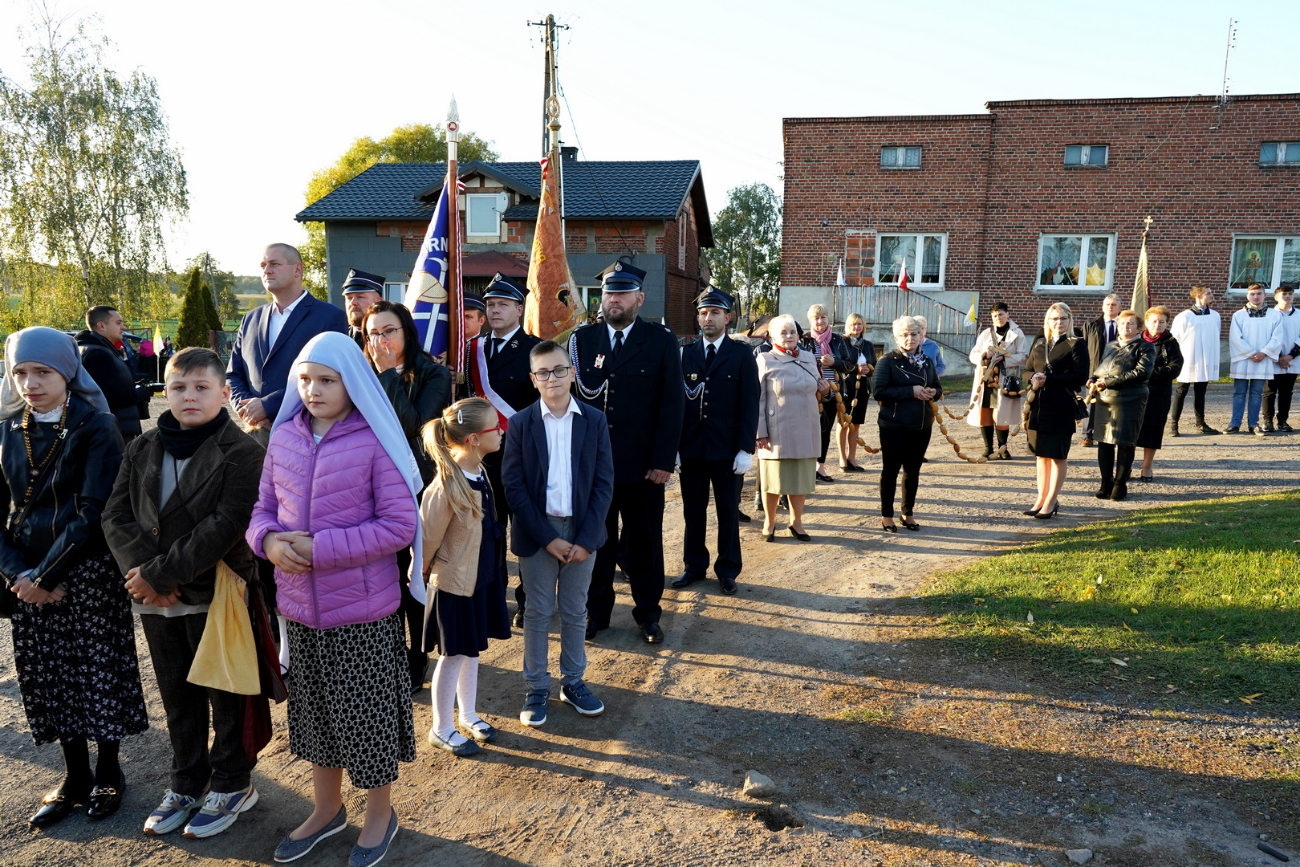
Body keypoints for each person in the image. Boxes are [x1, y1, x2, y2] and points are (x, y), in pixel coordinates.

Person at [247, 332, 420, 865]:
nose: (313, 390)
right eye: (305, 379)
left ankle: (378, 816)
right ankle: (327, 810)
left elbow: (398, 525)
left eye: (327, 380)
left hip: (362, 612)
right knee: (318, 719)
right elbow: (262, 511)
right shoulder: (285, 438)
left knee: (365, 722)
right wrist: (270, 542)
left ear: (352, 382)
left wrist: (320, 549)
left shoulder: (373, 440)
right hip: (299, 611)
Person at [102, 347, 265, 839]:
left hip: (215, 593)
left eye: (201, 387)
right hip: (156, 599)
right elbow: (116, 516)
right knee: (177, 694)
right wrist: (146, 577)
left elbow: (227, 524)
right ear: (164, 391)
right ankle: (187, 781)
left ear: (223, 392)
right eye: (178, 388)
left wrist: (162, 577)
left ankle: (234, 782)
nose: (189, 397)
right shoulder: (143, 446)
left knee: (224, 692)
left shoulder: (243, 452)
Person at [0, 327, 146, 827]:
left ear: (66, 372)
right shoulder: (5, 430)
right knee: (51, 678)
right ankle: (74, 775)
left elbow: (91, 513)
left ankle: (109, 772)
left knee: (94, 674)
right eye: (20, 372)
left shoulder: (96, 426)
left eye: (42, 371)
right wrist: (21, 574)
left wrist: (45, 575)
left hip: (84, 575)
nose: (31, 383)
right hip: (27, 580)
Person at [569, 260, 684, 645]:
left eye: (621, 292)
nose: (613, 299)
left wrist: (663, 461)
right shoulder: (582, 342)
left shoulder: (660, 341)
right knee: (596, 543)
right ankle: (595, 613)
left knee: (646, 544)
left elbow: (672, 406)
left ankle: (648, 614)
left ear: (639, 298)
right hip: (594, 467)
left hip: (643, 467)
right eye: (607, 292)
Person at [502, 341, 615, 728]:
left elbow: (603, 484)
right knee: (536, 612)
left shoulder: (594, 421)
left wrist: (585, 539)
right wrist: (547, 538)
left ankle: (573, 682)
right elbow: (513, 487)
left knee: (574, 610)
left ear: (572, 372)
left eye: (560, 369)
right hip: (538, 533)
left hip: (582, 532)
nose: (553, 378)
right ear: (533, 380)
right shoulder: (520, 424)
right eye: (544, 372)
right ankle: (536, 687)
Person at [363, 299, 451, 693]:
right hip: (369, 489)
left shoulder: (433, 374)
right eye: (373, 334)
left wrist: (386, 374)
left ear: (406, 333)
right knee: (383, 576)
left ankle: (418, 655)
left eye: (388, 331)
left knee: (415, 572)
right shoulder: (358, 372)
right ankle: (389, 652)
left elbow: (414, 427)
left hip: (417, 486)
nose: (380, 340)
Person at [418, 398, 511, 757]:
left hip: (479, 580)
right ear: (474, 439)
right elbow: (426, 538)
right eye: (494, 427)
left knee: (471, 652)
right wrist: (421, 575)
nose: (501, 431)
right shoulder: (446, 485)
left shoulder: (480, 469)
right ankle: (441, 727)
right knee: (453, 654)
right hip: (454, 586)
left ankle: (468, 714)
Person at [465, 273, 541, 629]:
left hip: (522, 456)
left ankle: (528, 602)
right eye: (490, 305)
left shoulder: (535, 350)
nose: (494, 310)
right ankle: (495, 600)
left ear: (519, 308)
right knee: (486, 534)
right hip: (482, 459)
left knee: (524, 533)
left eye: (502, 305)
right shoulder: (472, 350)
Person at [672, 289, 758, 595]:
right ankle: (694, 566)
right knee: (692, 513)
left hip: (727, 451)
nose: (708, 318)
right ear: (697, 318)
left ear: (728, 318)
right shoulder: (685, 353)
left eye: (715, 313)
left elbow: (750, 403)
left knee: (727, 513)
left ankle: (728, 569)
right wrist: (675, 448)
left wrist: (746, 449)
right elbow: (676, 404)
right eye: (704, 313)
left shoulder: (741, 355)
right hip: (692, 450)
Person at [226, 243, 348, 445]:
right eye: (263, 265)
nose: (266, 270)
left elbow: (332, 378)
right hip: (255, 435)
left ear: (297, 270)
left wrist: (268, 405)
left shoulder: (329, 317)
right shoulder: (250, 319)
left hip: (305, 434)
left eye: (274, 264)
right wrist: (247, 408)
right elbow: (233, 375)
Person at [755, 314, 825, 541]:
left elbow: (818, 390)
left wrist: (824, 389)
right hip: (776, 431)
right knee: (773, 480)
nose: (788, 336)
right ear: (773, 336)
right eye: (783, 332)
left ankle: (796, 523)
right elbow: (757, 400)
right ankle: (770, 522)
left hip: (806, 426)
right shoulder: (765, 359)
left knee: (800, 479)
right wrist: (760, 432)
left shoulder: (808, 358)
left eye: (792, 332)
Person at [873, 316, 942, 531]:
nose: (910, 338)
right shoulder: (887, 361)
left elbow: (937, 388)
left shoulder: (927, 362)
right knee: (891, 471)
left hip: (921, 426)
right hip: (894, 426)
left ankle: (907, 512)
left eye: (914, 334)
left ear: (921, 336)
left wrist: (933, 392)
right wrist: (911, 391)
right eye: (904, 334)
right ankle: (887, 516)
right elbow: (878, 391)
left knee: (913, 472)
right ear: (896, 337)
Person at [1022, 303, 1089, 519]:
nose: (1058, 323)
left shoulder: (1076, 344)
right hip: (1038, 406)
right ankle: (1041, 498)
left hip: (1061, 405)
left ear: (1069, 321)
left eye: (1063, 318)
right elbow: (1027, 370)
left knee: (1058, 456)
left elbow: (1080, 378)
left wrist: (1048, 379)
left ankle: (1051, 501)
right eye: (1054, 319)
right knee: (1041, 455)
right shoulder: (1040, 343)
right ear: (1047, 321)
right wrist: (1033, 378)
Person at [1088, 310, 1154, 501]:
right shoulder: (1111, 345)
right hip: (1105, 399)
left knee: (1125, 442)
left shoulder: (1145, 347)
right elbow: (1102, 367)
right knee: (1104, 442)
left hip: (1130, 399)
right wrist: (1093, 378)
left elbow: (1142, 373)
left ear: (1139, 328)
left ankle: (1120, 483)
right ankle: (1105, 483)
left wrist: (1108, 382)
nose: (1126, 327)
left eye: (1131, 324)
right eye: (1123, 323)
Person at [76, 305, 159, 440]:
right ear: (101, 326)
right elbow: (109, 396)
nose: (124, 327)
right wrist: (140, 393)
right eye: (118, 323)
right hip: (110, 431)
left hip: (110, 428)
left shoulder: (98, 349)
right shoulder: (97, 354)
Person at [799, 303, 855, 481]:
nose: (820, 321)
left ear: (828, 319)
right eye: (816, 318)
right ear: (810, 321)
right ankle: (805, 468)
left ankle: (820, 468)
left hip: (833, 392)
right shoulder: (804, 340)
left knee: (825, 429)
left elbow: (849, 366)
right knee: (807, 431)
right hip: (809, 392)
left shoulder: (838, 340)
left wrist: (834, 362)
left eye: (823, 317)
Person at [967, 301, 1027, 459]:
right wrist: (984, 356)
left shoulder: (1017, 333)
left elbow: (1023, 356)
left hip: (1005, 378)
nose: (998, 318)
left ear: (1008, 315)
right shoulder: (986, 333)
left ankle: (1003, 448)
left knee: (1002, 414)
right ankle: (988, 448)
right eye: (995, 316)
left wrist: (1005, 359)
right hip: (986, 379)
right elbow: (973, 355)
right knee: (985, 412)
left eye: (1001, 314)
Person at [1135, 307, 1185, 481]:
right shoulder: (1137, 340)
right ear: (1147, 322)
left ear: (1167, 323)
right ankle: (1125, 466)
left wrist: (1149, 373)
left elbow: (1175, 368)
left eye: (1162, 321)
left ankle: (1146, 467)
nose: (1158, 325)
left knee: (1153, 430)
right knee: (1131, 429)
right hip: (1134, 393)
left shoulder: (1171, 343)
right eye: (1154, 321)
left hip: (1158, 394)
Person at [1228, 284, 1282, 435]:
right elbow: (1235, 338)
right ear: (1247, 296)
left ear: (1265, 295)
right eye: (1252, 294)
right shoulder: (1239, 315)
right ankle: (1234, 423)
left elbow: (1277, 337)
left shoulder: (1275, 315)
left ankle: (1253, 424)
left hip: (1262, 359)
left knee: (1256, 393)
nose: (1255, 297)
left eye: (1259, 294)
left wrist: (1264, 353)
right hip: (1243, 359)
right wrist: (1251, 353)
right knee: (1239, 392)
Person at [1168, 286, 1222, 437]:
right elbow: (1175, 339)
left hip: (1205, 359)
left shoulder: (1215, 315)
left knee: (1201, 392)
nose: (1212, 295)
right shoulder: (1185, 316)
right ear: (1198, 296)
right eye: (1208, 293)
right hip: (1188, 359)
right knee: (1181, 391)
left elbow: (1215, 335)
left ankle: (1200, 423)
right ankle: (1174, 424)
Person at [836, 313, 876, 472]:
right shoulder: (841, 343)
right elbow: (839, 363)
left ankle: (852, 458)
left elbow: (875, 365)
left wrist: (869, 369)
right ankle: (841, 457)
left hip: (863, 387)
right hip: (846, 387)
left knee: (855, 425)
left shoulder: (868, 345)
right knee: (843, 423)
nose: (856, 327)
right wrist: (855, 369)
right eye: (853, 324)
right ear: (848, 326)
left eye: (859, 324)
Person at [1082, 294, 1122, 446]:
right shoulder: (1091, 326)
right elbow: (1084, 350)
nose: (1110, 307)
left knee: (1114, 402)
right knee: (1092, 402)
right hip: (1095, 369)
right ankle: (1088, 434)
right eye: (1107, 305)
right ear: (1102, 307)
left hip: (1117, 370)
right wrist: (1086, 373)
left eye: (1113, 304)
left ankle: (1111, 433)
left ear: (1119, 307)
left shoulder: (1125, 325)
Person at [1263, 283, 1300, 433]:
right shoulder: (1269, 314)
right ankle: (1267, 421)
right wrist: (1278, 356)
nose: (1287, 296)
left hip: (1292, 359)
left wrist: (1290, 356)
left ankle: (1283, 420)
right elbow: (1265, 336)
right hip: (1273, 359)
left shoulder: (1299, 314)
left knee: (1286, 392)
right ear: (1276, 297)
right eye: (1284, 294)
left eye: (1290, 294)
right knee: (1269, 391)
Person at [341, 268, 385, 349]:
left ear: (378, 302)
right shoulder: (340, 337)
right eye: (349, 298)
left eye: (360, 297)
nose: (353, 303)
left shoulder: (388, 338)